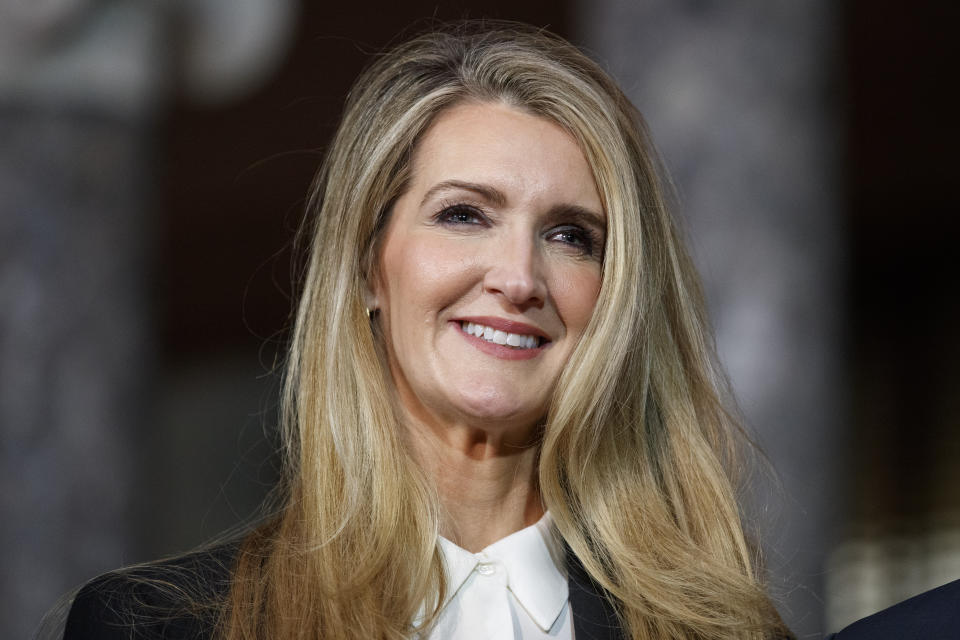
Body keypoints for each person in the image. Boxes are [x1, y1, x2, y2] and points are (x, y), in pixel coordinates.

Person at [59, 20, 794, 640]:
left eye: (571, 235)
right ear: (366, 268)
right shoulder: (154, 626)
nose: (519, 278)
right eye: (464, 215)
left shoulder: (725, 632)